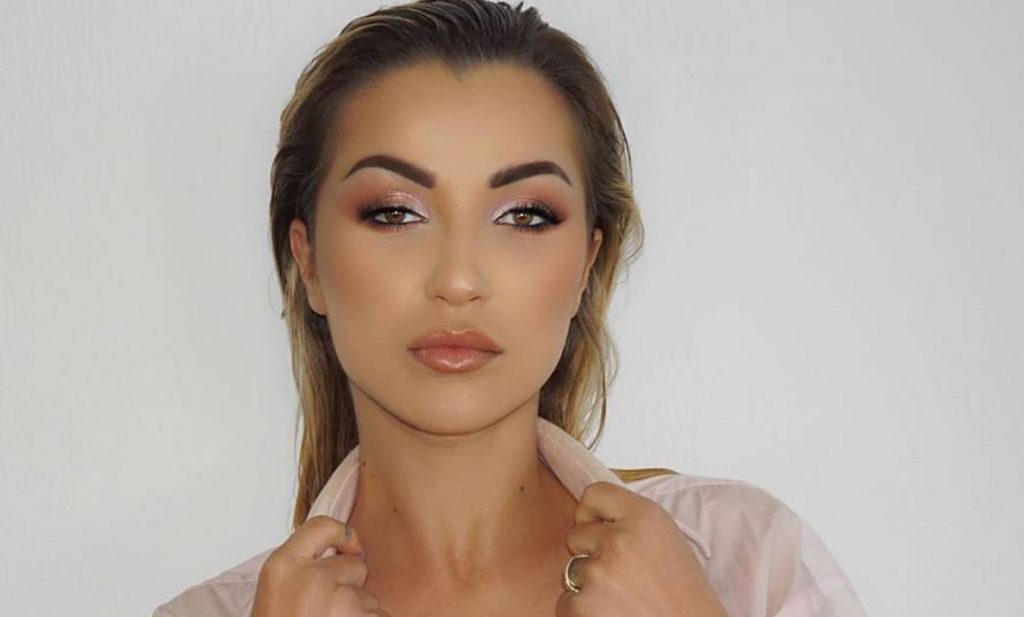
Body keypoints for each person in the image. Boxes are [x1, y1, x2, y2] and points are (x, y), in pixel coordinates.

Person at [153, 1, 869, 615]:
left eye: (524, 215)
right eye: (395, 212)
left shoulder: (746, 560)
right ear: (307, 260)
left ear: (587, 265)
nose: (459, 280)